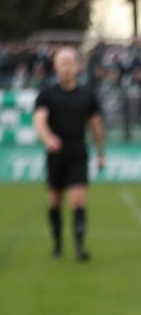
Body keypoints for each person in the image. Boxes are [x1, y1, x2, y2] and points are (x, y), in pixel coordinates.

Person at [32, 46, 105, 262]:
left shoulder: (87, 96)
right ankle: (57, 246)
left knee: (78, 201)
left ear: (78, 66)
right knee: (54, 202)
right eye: (61, 63)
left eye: (69, 63)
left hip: (78, 153)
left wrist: (101, 152)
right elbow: (39, 121)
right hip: (56, 155)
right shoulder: (47, 95)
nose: (65, 68)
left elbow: (95, 126)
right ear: (55, 66)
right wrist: (48, 139)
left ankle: (80, 248)